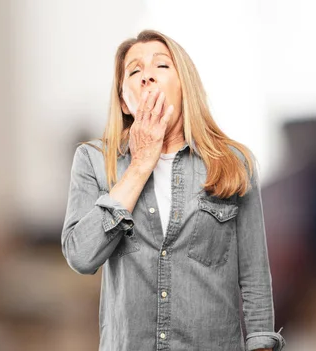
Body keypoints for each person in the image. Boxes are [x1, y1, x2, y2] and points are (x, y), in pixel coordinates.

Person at [61, 29, 285, 351]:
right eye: (135, 70)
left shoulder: (233, 163)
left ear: (184, 88)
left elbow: (254, 278)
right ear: (125, 101)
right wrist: (140, 164)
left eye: (161, 66)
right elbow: (81, 256)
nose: (147, 76)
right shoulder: (94, 161)